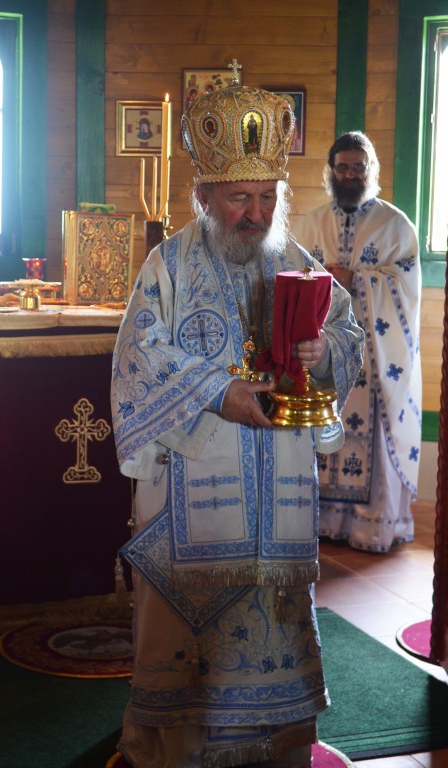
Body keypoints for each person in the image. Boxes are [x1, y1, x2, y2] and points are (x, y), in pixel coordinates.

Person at [111, 85, 364, 768]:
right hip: (191, 496)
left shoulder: (297, 262)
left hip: (279, 503)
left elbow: (347, 333)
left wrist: (323, 352)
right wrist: (218, 393)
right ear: (204, 197)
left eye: (266, 197)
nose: (255, 214)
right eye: (238, 198)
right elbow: (137, 358)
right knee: (185, 655)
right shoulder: (167, 266)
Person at [294, 131, 422, 553]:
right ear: (331, 171)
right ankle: (325, 522)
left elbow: (405, 286)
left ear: (371, 170)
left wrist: (357, 280)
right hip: (326, 354)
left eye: (358, 167)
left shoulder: (395, 225)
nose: (349, 175)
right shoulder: (310, 223)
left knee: (373, 431)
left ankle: (370, 526)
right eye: (342, 167)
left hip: (375, 358)